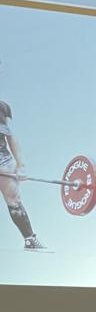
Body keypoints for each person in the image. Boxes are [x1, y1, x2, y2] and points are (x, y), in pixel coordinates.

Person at [0, 97, 46, 250]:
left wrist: (21, 166)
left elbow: (11, 137)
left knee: (14, 200)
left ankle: (30, 240)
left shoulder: (2, 107)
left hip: (3, 161)